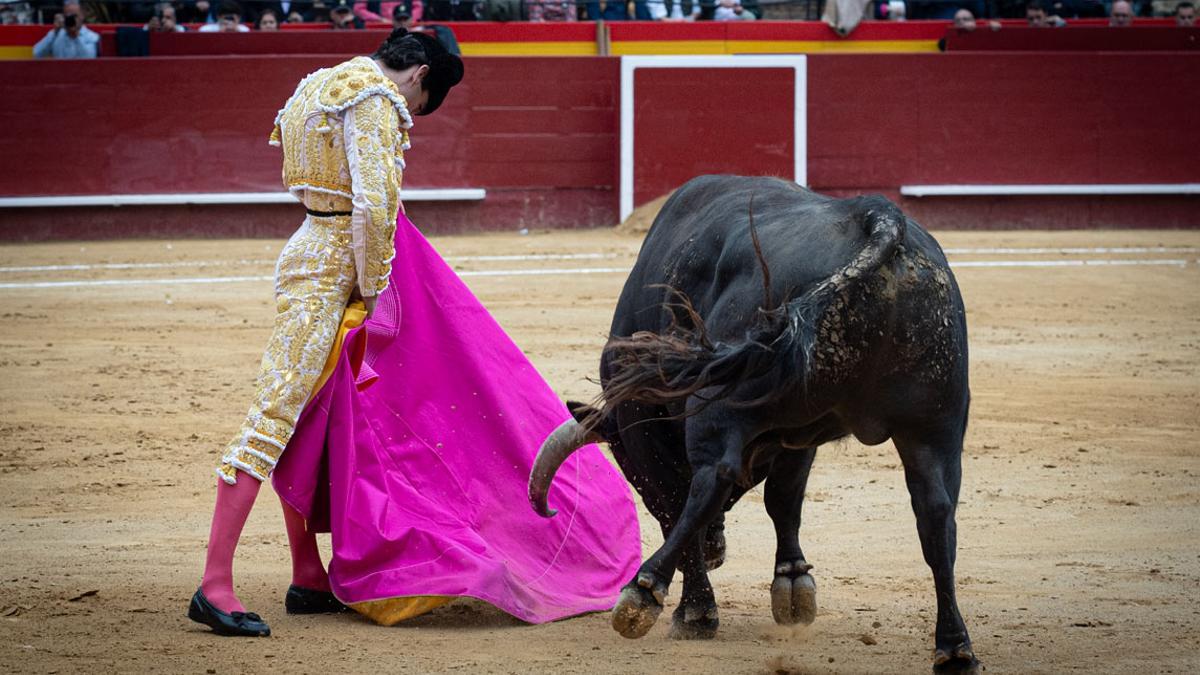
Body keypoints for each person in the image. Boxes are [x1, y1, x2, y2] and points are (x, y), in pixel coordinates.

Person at [188, 29, 465, 637]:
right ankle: (213, 585)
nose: (412, 114)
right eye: (421, 105)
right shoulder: (373, 97)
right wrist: (374, 289)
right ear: (419, 74)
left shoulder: (317, 82)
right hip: (335, 266)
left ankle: (309, 575)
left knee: (312, 416)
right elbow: (373, 203)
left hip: (307, 246)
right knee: (275, 414)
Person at [33, 0, 99, 58]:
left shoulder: (92, 37)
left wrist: (76, 36)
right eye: (68, 16)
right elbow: (34, 54)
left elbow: (88, 60)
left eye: (74, 16)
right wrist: (55, 33)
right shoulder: (56, 35)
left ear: (82, 15)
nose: (71, 19)